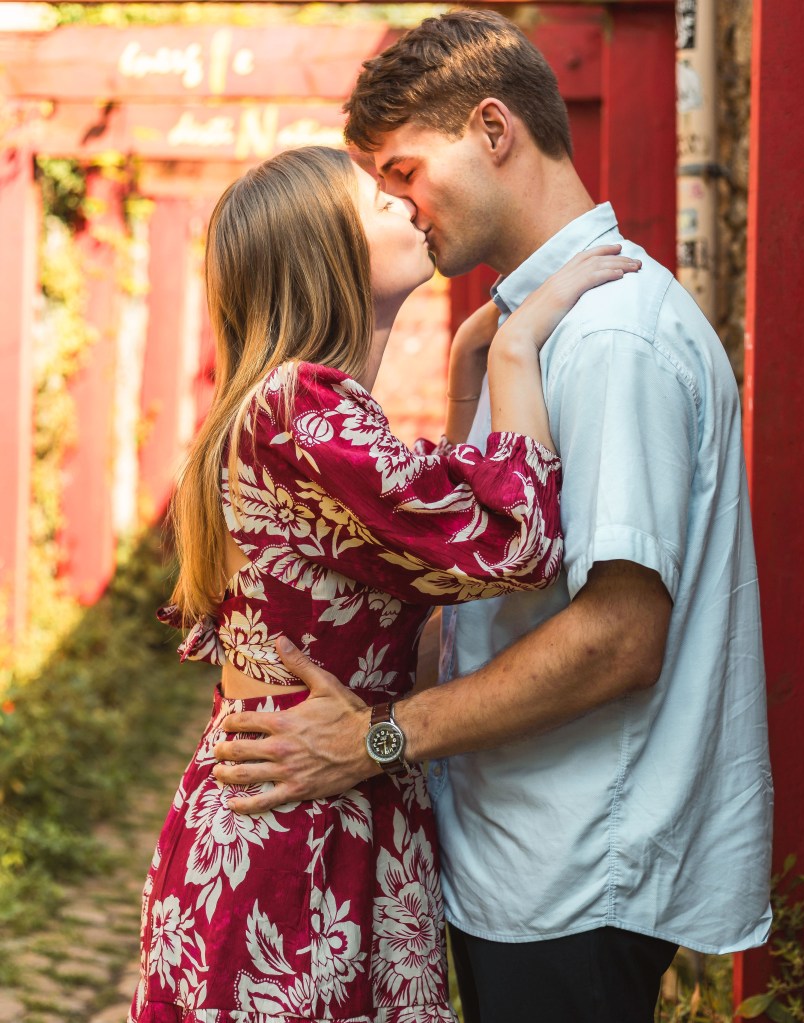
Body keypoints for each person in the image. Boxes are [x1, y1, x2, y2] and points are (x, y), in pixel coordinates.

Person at [210, 11, 774, 1023]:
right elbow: (472, 571)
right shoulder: (540, 324)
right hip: (522, 858)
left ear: (491, 128)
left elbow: (616, 640)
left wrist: (376, 738)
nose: (398, 206)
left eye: (405, 171)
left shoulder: (608, 338)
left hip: (571, 871)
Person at [128, 143, 639, 1023]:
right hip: (299, 837)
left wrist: (466, 379)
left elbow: (412, 544)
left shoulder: (291, 409)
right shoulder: (302, 407)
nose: (408, 204)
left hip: (313, 810)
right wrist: (518, 347)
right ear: (324, 253)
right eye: (378, 200)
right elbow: (513, 543)